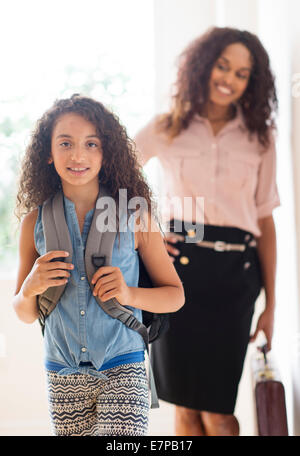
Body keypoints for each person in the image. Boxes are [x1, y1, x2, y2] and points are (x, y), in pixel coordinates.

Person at [134, 27, 280, 436]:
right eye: (223, 66)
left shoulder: (260, 136)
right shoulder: (168, 126)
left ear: (252, 81)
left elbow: (265, 221)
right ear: (203, 66)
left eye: (242, 73)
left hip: (236, 277)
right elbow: (114, 176)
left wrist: (272, 304)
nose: (230, 79)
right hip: (175, 271)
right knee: (184, 408)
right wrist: (144, 230)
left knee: (218, 411)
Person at [12, 94, 184, 436]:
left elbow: (175, 295)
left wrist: (128, 293)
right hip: (61, 372)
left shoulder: (135, 215)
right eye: (66, 143)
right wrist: (31, 286)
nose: (78, 155)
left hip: (124, 365)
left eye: (91, 143)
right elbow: (24, 311)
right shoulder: (34, 223)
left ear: (107, 152)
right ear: (48, 152)